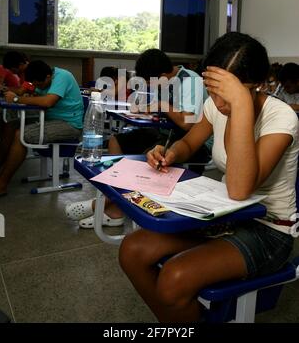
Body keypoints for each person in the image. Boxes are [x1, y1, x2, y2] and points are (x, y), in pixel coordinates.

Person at [118, 32, 299, 323]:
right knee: (133, 250)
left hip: (269, 229)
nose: (218, 103)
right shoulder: (216, 105)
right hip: (226, 215)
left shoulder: (281, 118)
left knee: (175, 278)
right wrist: (170, 152)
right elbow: (190, 142)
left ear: (260, 85)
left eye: (228, 94)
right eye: (212, 91)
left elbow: (241, 189)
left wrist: (240, 105)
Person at [65, 49, 211, 229]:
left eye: (151, 82)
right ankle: (117, 204)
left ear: (164, 74)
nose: (152, 86)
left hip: (193, 141)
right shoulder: (163, 81)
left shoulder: (190, 80)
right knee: (116, 141)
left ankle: (107, 206)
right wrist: (145, 107)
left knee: (145, 161)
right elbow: (161, 108)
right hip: (165, 134)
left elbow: (187, 123)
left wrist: (162, 105)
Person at [0, 61, 84, 196]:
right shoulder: (38, 78)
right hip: (50, 119)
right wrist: (12, 92)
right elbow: (21, 90)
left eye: (40, 84)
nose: (37, 87)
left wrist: (17, 99)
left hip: (69, 125)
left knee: (21, 135)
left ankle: (2, 184)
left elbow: (48, 102)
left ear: (48, 77)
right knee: (11, 124)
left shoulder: (62, 77)